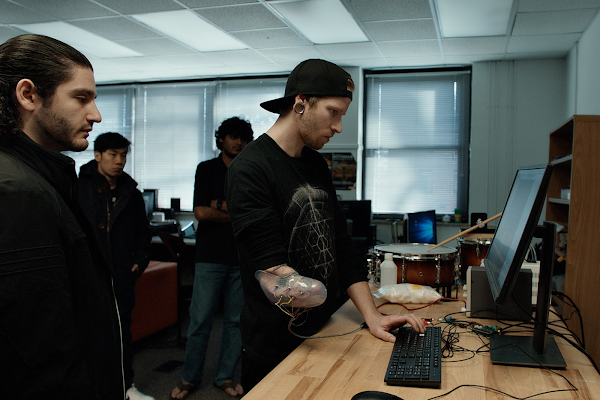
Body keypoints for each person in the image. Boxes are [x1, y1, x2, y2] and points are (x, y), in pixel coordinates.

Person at [225, 59, 426, 391]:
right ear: (301, 103)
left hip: (328, 326)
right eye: (334, 112)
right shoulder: (250, 169)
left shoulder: (315, 162)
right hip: (278, 343)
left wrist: (372, 316)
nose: (339, 127)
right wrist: (314, 292)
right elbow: (273, 270)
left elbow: (342, 246)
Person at [0, 35, 125, 399]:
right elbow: (39, 354)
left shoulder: (40, 178)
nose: (96, 115)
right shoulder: (17, 192)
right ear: (28, 95)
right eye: (81, 98)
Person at [170, 117, 254, 400]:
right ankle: (189, 379)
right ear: (221, 139)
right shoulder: (206, 169)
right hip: (209, 258)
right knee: (200, 320)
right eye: (232, 136)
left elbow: (251, 213)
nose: (238, 142)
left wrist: (217, 204)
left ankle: (225, 377)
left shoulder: (249, 170)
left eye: (243, 137)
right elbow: (200, 213)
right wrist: (232, 211)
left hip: (241, 258)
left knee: (233, 322)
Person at [77, 132, 153, 400]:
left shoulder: (131, 193)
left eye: (123, 155)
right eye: (113, 154)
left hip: (122, 276)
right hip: (87, 277)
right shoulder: (78, 188)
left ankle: (126, 388)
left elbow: (144, 235)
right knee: (86, 335)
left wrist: (138, 264)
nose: (119, 161)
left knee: (121, 335)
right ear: (97, 156)